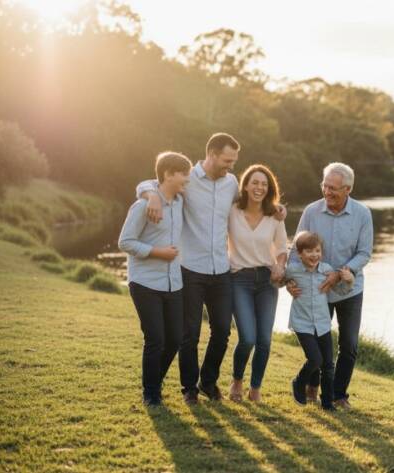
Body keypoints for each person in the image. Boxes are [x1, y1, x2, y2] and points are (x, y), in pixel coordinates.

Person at [137, 133, 285, 404]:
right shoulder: (188, 178)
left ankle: (208, 380)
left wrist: (277, 209)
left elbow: (255, 201)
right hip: (190, 269)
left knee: (222, 331)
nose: (231, 166)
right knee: (189, 334)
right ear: (212, 154)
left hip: (222, 270)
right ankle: (189, 389)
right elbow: (152, 180)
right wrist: (150, 195)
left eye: (234, 161)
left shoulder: (231, 184)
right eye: (227, 160)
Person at [287, 162, 373, 409]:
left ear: (348, 189)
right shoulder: (311, 212)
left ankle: (338, 394)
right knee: (317, 342)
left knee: (349, 345)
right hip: (316, 290)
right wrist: (291, 282)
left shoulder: (362, 214)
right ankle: (312, 386)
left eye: (334, 188)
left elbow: (364, 253)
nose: (327, 192)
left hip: (349, 289)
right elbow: (295, 251)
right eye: (325, 186)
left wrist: (341, 273)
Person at [118, 151, 192, 406]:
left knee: (174, 338)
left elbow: (149, 184)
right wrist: (157, 253)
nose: (187, 180)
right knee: (155, 339)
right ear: (169, 174)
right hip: (145, 282)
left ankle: (155, 379)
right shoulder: (142, 206)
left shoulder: (179, 201)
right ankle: (151, 394)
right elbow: (124, 242)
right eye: (184, 174)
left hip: (174, 282)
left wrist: (151, 192)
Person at [227, 164, 287, 403]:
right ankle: (237, 380)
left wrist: (280, 266)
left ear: (269, 188)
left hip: (266, 281)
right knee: (247, 338)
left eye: (264, 184)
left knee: (264, 339)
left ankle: (255, 388)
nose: (259, 188)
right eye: (255, 182)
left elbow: (282, 248)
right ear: (246, 185)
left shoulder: (275, 216)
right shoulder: (232, 211)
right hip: (238, 279)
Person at [286, 231, 354, 411]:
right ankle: (299, 381)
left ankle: (327, 404)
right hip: (302, 323)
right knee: (315, 359)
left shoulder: (327, 271)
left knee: (328, 366)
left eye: (317, 250)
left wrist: (349, 281)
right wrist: (286, 284)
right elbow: (277, 281)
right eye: (309, 251)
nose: (314, 255)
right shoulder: (293, 269)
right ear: (299, 254)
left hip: (323, 324)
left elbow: (341, 292)